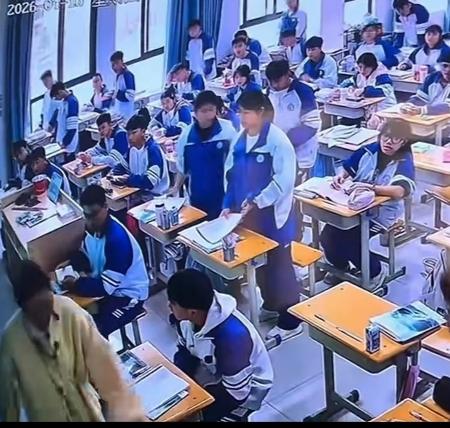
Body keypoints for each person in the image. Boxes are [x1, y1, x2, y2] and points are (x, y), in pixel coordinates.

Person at [0, 260, 145, 422]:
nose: (45, 316)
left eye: (48, 305)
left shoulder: (69, 311)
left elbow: (107, 365)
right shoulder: (11, 342)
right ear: (23, 308)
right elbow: (9, 405)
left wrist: (130, 413)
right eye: (37, 311)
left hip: (87, 413)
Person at [222, 91, 303, 342]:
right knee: (260, 266)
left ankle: (291, 320)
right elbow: (230, 174)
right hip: (248, 216)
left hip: (273, 217)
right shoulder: (240, 139)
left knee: (280, 268)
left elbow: (283, 182)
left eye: (246, 113)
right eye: (240, 112)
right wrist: (228, 204)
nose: (242, 118)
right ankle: (271, 303)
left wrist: (257, 200)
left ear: (261, 112)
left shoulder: (278, 142)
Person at [320, 120, 416, 291]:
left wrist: (371, 188)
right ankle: (340, 268)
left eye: (395, 139)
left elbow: (400, 191)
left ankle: (375, 272)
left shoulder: (404, 159)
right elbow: (348, 168)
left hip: (382, 211)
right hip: (354, 207)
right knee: (328, 235)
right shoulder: (369, 150)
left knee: (350, 239)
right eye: (386, 137)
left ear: (404, 141)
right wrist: (341, 177)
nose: (389, 142)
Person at [168, 269, 273, 422]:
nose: (169, 306)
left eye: (173, 303)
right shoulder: (186, 319)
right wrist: (179, 384)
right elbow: (184, 352)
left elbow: (237, 394)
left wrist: (199, 414)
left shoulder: (232, 338)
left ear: (192, 312)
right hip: (215, 373)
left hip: (246, 391)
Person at [62, 185, 149, 338]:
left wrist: (76, 284)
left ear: (106, 207)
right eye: (86, 215)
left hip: (128, 296)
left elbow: (105, 288)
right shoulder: (91, 228)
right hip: (109, 289)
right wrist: (78, 268)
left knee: (94, 333)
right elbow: (83, 255)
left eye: (94, 214)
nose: (90, 220)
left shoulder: (117, 240)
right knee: (75, 323)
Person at [171, 91, 237, 220]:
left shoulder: (228, 131)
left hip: (223, 197)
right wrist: (176, 187)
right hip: (197, 197)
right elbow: (182, 167)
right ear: (195, 113)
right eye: (204, 111)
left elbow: (237, 165)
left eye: (211, 110)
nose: (208, 115)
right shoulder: (186, 137)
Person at [266, 60, 321, 180]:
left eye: (277, 81)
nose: (274, 85)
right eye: (271, 81)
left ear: (287, 75)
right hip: (277, 153)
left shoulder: (303, 92)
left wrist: (286, 141)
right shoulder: (268, 93)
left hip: (301, 154)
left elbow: (312, 125)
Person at [110, 115, 169, 200]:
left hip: (156, 197)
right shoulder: (131, 149)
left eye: (134, 133)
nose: (130, 137)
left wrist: (128, 179)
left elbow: (150, 182)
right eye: (128, 134)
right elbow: (122, 166)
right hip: (138, 192)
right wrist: (113, 174)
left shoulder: (153, 150)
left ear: (143, 132)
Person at [340, 53, 397, 126]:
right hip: (368, 109)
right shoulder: (359, 75)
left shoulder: (382, 75)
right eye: (360, 67)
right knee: (347, 118)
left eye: (366, 67)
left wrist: (364, 90)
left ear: (372, 66)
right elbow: (346, 83)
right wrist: (350, 87)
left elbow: (383, 91)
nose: (362, 70)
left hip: (384, 110)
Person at [401, 51, 450, 116]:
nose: (448, 70)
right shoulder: (432, 78)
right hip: (431, 117)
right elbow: (420, 98)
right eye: (445, 65)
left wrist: (421, 110)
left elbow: (448, 107)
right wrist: (409, 105)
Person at [50, 81, 80, 160]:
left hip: (68, 143)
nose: (57, 99)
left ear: (60, 92)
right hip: (62, 142)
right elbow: (58, 120)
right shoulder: (63, 101)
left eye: (56, 97)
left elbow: (72, 128)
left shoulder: (72, 102)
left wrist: (65, 142)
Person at [110, 51, 136, 121]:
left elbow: (130, 96)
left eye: (116, 63)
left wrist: (117, 94)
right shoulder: (117, 76)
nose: (114, 67)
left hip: (126, 115)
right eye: (112, 64)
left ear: (121, 62)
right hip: (118, 113)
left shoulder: (128, 76)